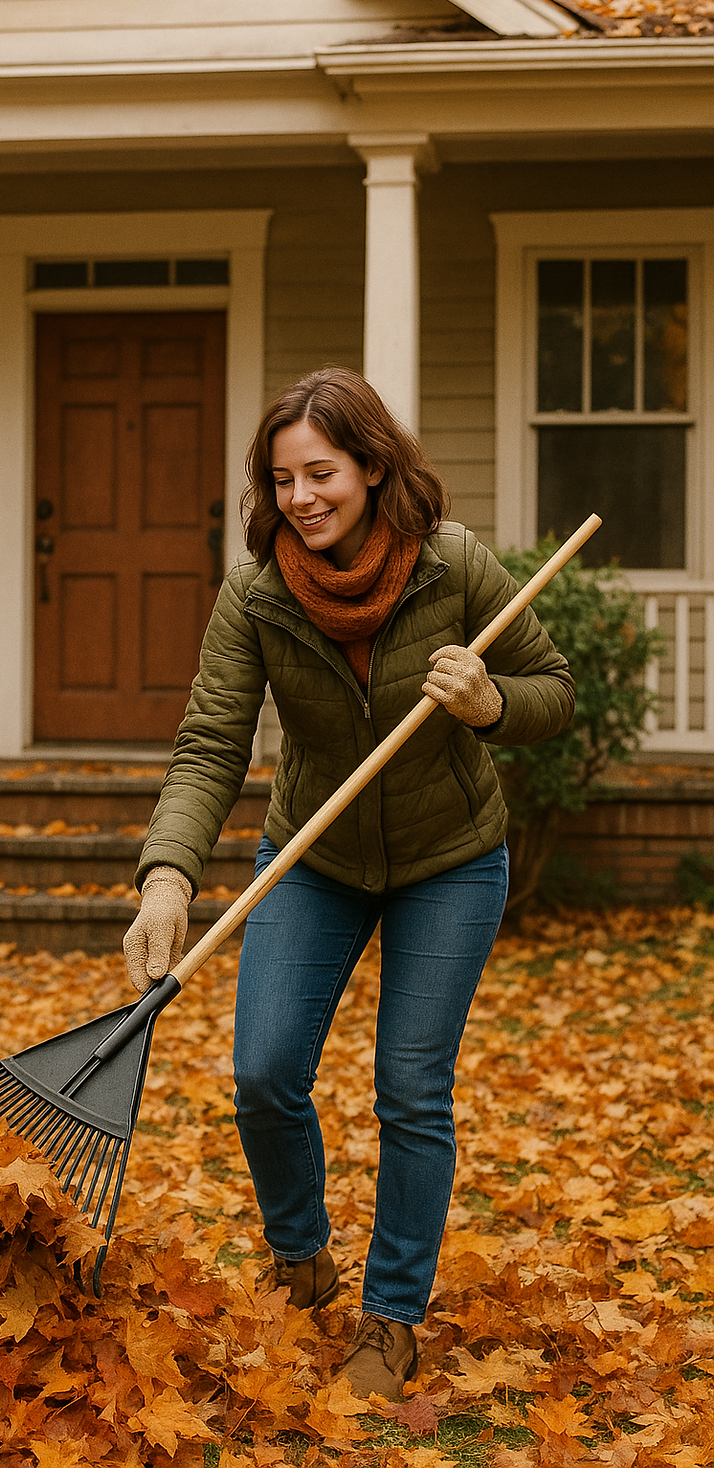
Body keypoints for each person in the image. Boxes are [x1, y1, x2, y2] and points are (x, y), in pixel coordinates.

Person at [122, 367, 574, 1400]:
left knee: (410, 1090)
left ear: (371, 466)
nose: (300, 498)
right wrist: (165, 877)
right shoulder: (257, 592)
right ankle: (300, 1256)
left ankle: (389, 1318)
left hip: (448, 857)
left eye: (319, 473)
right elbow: (207, 745)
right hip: (312, 857)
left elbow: (551, 692)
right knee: (262, 1073)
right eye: (280, 480)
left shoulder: (452, 566)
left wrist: (487, 702)